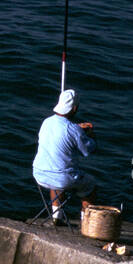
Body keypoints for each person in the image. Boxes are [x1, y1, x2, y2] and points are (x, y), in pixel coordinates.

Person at [32, 88, 95, 224]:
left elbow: (61, 132)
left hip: (39, 174)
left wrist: (77, 129)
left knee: (57, 175)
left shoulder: (46, 122)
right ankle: (86, 224)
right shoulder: (74, 130)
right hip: (62, 178)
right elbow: (87, 151)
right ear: (74, 108)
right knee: (90, 186)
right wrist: (89, 135)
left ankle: (57, 217)